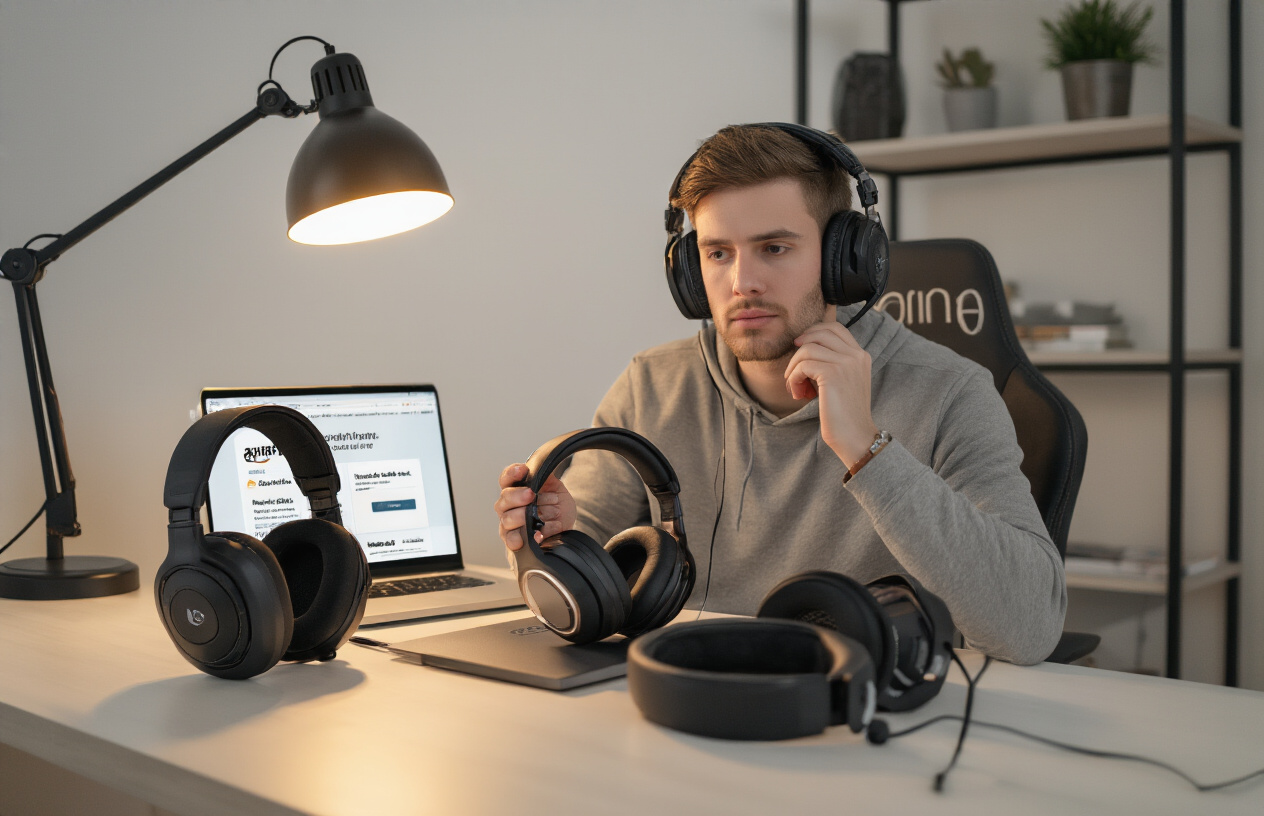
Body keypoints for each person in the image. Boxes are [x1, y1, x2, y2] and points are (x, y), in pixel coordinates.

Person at [494, 124, 1065, 665]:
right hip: (688, 692)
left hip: (854, 712)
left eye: (774, 248)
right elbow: (580, 580)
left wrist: (866, 449)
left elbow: (1032, 626)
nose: (742, 282)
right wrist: (550, 539)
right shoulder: (652, 385)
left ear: (845, 260)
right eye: (718, 253)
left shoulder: (949, 391)